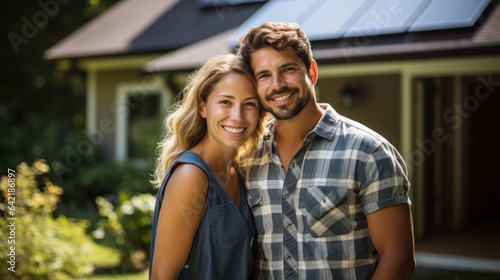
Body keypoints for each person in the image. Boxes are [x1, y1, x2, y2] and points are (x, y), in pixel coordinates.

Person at [237, 22, 416, 280]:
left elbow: (398, 259)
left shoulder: (368, 152)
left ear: (311, 70)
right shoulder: (246, 157)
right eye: (263, 75)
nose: (277, 85)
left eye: (287, 69)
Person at [149, 53, 266, 280]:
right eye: (225, 102)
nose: (237, 116)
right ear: (203, 107)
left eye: (249, 104)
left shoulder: (238, 171)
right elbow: (161, 276)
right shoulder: (191, 176)